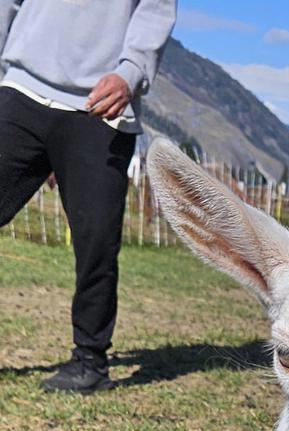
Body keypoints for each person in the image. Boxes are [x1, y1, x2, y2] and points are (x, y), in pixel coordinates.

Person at [0, 0, 176, 392]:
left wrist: (129, 75)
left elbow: (155, 10)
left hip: (102, 107)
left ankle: (89, 363)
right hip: (21, 90)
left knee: (97, 242)